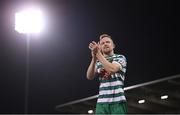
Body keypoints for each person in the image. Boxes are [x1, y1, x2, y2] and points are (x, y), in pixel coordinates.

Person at [86, 34, 128, 114]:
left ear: (113, 45)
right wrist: (94, 58)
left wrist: (98, 53)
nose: (105, 44)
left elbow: (112, 69)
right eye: (102, 43)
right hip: (101, 103)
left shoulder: (120, 57)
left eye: (108, 42)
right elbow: (89, 76)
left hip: (118, 101)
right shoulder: (98, 61)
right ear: (100, 47)